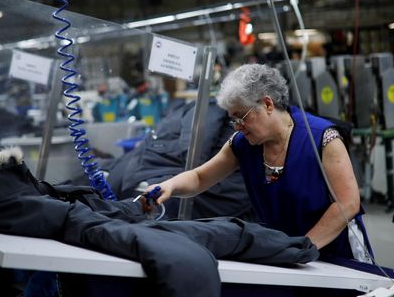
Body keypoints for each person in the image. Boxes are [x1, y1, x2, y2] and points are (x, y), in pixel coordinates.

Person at [146, 63, 372, 261]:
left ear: (267, 104)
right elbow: (199, 177)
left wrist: (305, 245)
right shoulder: (242, 144)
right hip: (287, 253)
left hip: (335, 251)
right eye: (232, 119)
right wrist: (170, 186)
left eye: (241, 117)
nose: (237, 126)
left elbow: (348, 203)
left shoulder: (322, 138)